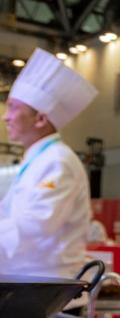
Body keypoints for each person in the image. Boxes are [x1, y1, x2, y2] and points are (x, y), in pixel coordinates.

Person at [0, 49, 97, 278]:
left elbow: (36, 224)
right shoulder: (37, 160)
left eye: (13, 107)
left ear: (41, 119)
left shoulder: (57, 161)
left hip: (47, 284)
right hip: (25, 280)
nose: (6, 117)